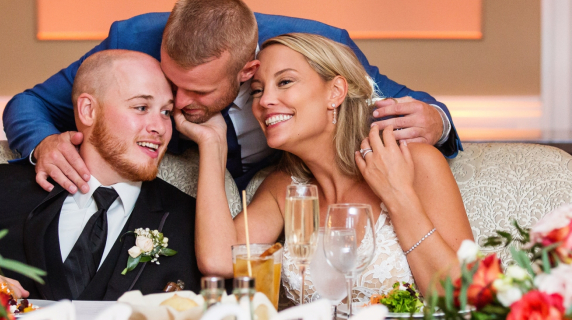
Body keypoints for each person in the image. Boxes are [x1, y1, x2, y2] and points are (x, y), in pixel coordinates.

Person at [3, 0, 461, 194]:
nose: (179, 104)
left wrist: (437, 121)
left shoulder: (318, 49)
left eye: (198, 91)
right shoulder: (132, 40)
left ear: (248, 70)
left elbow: (414, 105)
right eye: (171, 83)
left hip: (286, 200)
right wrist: (41, 143)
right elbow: (29, 103)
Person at [176, 33, 472, 304]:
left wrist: (398, 197)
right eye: (256, 90)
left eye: (285, 82)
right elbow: (219, 261)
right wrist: (212, 145)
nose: (264, 101)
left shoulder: (414, 161)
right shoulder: (284, 188)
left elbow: (466, 298)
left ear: (335, 92)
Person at [0, 50, 200, 301]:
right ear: (88, 110)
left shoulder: (190, 220)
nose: (159, 127)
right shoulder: (0, 190)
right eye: (141, 107)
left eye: (166, 112)